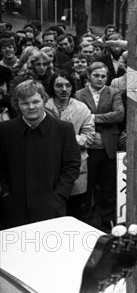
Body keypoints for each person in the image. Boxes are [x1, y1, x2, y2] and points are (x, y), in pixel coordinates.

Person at [0, 80, 80, 229]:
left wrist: (59, 195)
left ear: (44, 100)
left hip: (52, 207)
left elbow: (72, 166)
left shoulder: (63, 129)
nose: (31, 107)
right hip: (14, 209)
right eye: (24, 103)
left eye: (35, 101)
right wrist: (6, 193)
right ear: (17, 104)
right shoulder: (5, 130)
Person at [75, 62, 124, 230]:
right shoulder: (79, 94)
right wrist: (100, 118)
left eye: (104, 76)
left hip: (108, 147)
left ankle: (108, 222)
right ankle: (85, 222)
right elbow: (77, 117)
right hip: (87, 148)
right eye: (96, 75)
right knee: (86, 187)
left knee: (108, 188)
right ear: (88, 76)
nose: (100, 79)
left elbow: (118, 115)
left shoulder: (114, 93)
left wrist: (92, 118)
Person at [45, 71, 95, 219]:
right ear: (52, 87)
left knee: (76, 210)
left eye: (68, 85)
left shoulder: (82, 108)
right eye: (59, 85)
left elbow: (89, 138)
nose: (64, 89)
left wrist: (68, 138)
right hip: (48, 165)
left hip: (76, 164)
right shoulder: (43, 107)